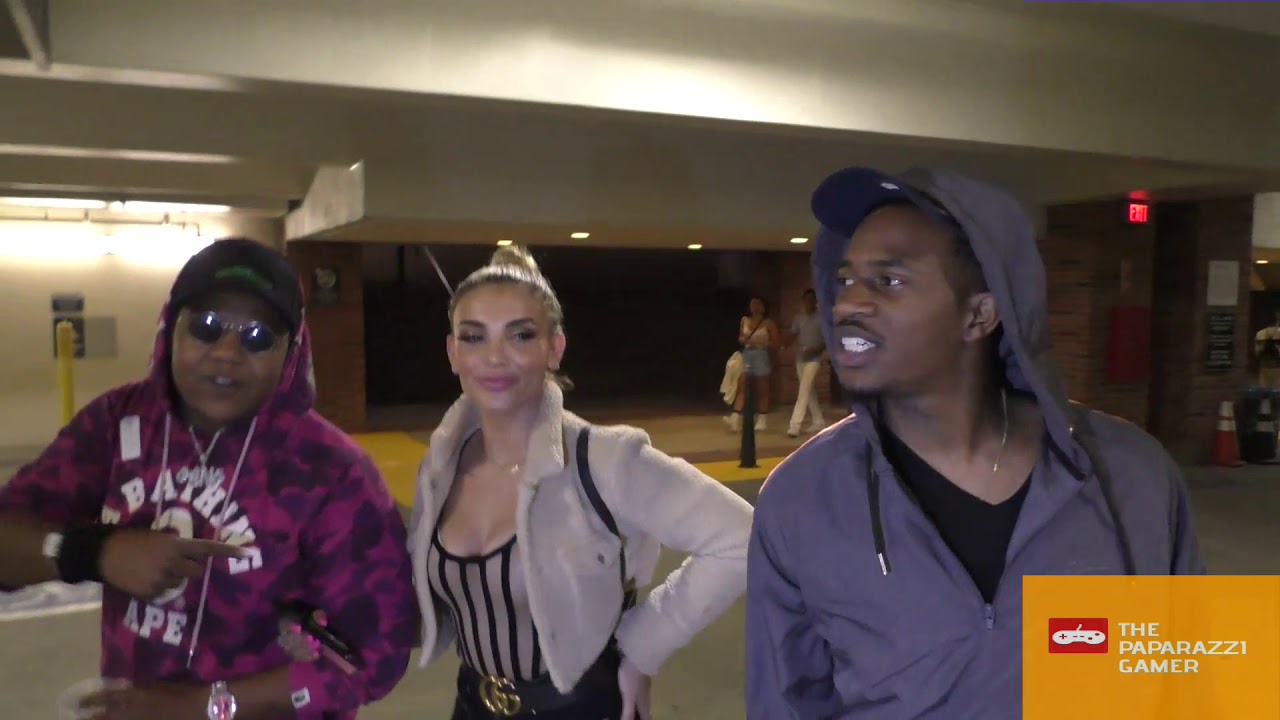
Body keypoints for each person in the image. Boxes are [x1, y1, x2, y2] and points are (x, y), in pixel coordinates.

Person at [745, 167, 1205, 718]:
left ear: (979, 314)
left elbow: (1193, 678)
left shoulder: (1133, 473)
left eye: (888, 281)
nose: (848, 305)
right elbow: (785, 702)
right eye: (845, 281)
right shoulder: (802, 497)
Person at [302, 245, 750, 720]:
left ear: (554, 348)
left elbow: (740, 537)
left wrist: (643, 648)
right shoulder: (440, 467)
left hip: (584, 708)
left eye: (520, 335)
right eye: (474, 338)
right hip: (473, 704)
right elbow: (441, 606)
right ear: (453, 353)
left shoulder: (604, 459)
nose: (494, 358)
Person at [0, 238, 418, 720]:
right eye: (206, 327)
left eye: (258, 337)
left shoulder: (331, 472)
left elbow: (373, 660)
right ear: (168, 329)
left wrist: (206, 705)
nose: (227, 352)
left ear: (291, 353)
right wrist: (94, 551)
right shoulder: (119, 423)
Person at [725, 297, 779, 432]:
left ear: (763, 306)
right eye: (752, 304)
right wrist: (743, 339)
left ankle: (762, 419)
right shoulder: (744, 320)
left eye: (757, 304)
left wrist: (762, 343)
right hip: (747, 355)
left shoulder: (768, 323)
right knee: (742, 385)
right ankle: (735, 418)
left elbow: (776, 342)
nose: (754, 307)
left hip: (761, 355)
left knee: (762, 388)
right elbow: (740, 336)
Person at [784, 288, 827, 438]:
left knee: (803, 390)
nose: (809, 303)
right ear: (803, 301)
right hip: (800, 359)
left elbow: (826, 341)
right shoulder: (799, 318)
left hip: (814, 360)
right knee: (809, 392)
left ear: (816, 301)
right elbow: (793, 335)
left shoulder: (822, 319)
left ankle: (794, 426)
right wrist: (783, 345)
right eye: (806, 300)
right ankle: (818, 420)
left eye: (812, 300)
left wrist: (816, 349)